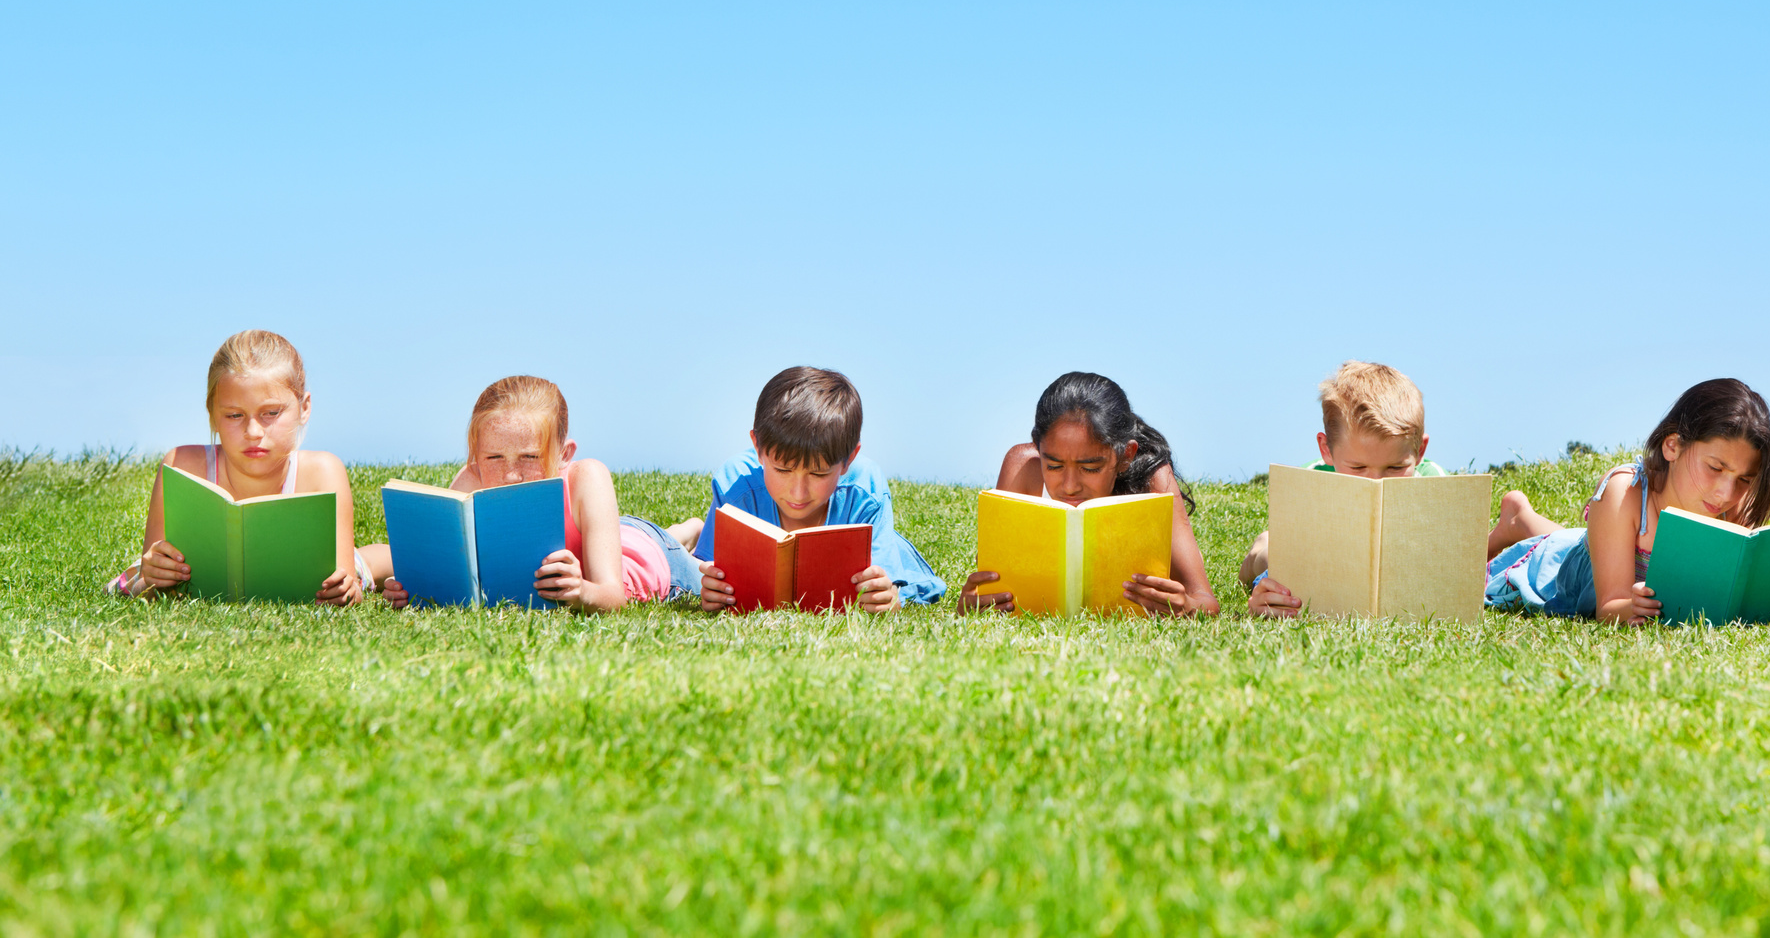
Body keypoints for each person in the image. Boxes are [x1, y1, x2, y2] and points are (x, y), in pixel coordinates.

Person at [1482, 378, 1770, 623]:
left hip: (1601, 539)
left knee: (1583, 539)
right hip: (1566, 574)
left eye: (1744, 480)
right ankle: (1518, 519)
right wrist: (1629, 608)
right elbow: (1609, 605)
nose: (1725, 493)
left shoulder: (1733, 508)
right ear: (1672, 446)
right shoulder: (1625, 492)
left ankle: (1522, 517)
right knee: (1563, 547)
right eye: (1715, 468)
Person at [369, 375, 703, 610]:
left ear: (564, 454)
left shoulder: (587, 477)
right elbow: (450, 570)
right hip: (609, 531)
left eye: (529, 456)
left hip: (653, 558)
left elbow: (613, 597)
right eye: (494, 457)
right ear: (475, 456)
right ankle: (681, 530)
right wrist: (415, 590)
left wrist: (582, 591)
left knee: (693, 562)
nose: (511, 475)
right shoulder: (471, 480)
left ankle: (685, 533)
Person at [113, 329, 365, 605]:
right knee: (128, 578)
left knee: (360, 562)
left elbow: (346, 584)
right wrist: (152, 576)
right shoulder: (181, 466)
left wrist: (346, 591)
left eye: (270, 413)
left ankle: (379, 558)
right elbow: (148, 586)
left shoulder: (323, 472)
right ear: (213, 413)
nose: (253, 431)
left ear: (304, 408)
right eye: (234, 415)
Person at [962, 371, 1220, 616]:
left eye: (1090, 468)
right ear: (1039, 448)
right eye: (1053, 466)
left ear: (1125, 456)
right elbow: (992, 584)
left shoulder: (1152, 477)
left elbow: (1205, 600)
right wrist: (975, 601)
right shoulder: (1022, 468)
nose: (1070, 485)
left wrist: (1187, 606)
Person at [693, 367, 944, 612]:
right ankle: (691, 530)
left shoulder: (865, 491)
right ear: (758, 447)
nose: (798, 493)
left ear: (848, 459)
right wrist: (711, 589)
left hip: (895, 552)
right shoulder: (735, 487)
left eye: (818, 473)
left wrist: (890, 597)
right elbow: (706, 573)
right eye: (782, 470)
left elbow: (886, 587)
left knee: (917, 587)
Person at [1243, 361, 1450, 618]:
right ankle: (1259, 548)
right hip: (1323, 562)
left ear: (1419, 451)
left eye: (1395, 468)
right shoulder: (1311, 482)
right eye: (1359, 466)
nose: (1376, 481)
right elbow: (1297, 561)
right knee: (1271, 553)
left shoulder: (1434, 482)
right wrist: (1266, 595)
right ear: (1327, 449)